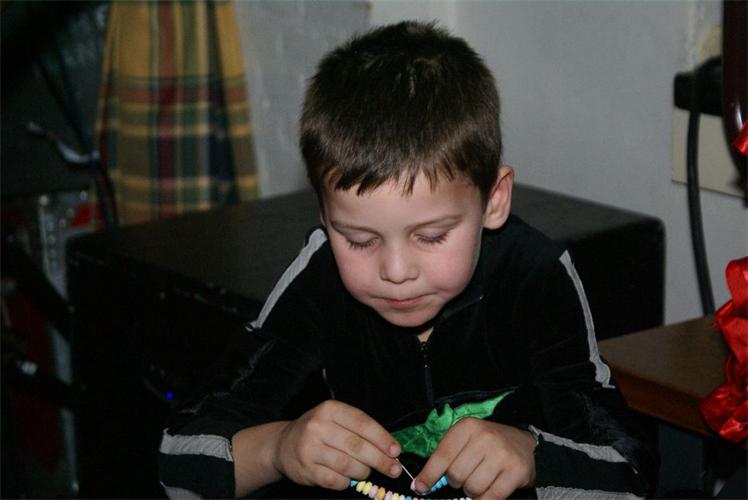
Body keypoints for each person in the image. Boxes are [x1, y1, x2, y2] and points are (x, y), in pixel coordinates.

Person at [159, 21, 656, 499]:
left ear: (494, 200)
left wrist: (534, 457)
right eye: (358, 240)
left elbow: (632, 472)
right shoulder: (319, 277)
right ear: (325, 217)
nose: (396, 272)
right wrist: (277, 448)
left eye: (432, 236)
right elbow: (176, 459)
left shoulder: (536, 275)